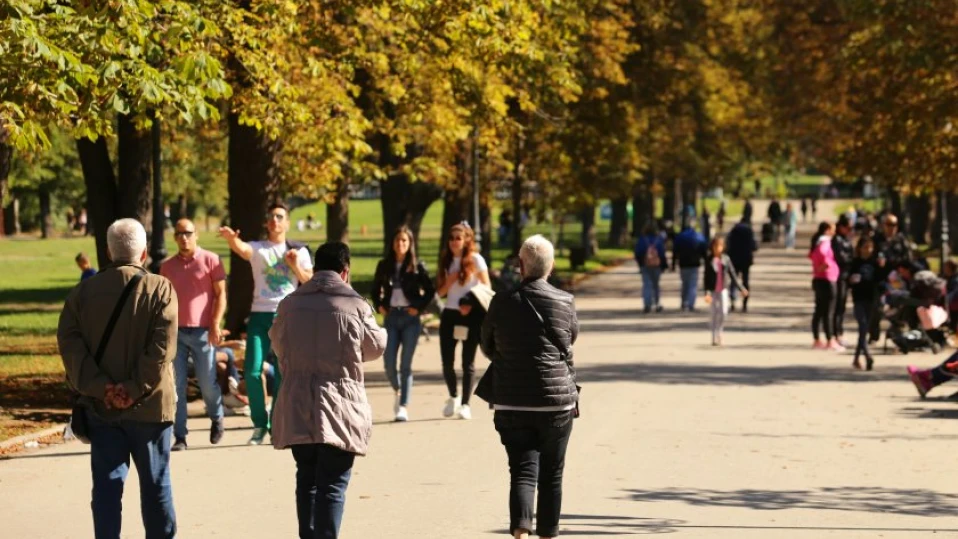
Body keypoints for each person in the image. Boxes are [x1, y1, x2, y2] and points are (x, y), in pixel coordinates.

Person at [57, 218, 178, 538]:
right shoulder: (160, 288)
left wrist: (102, 387)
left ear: (108, 251)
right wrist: (134, 387)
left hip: (102, 407)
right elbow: (162, 348)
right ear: (145, 252)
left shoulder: (82, 293)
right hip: (151, 407)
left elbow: (70, 346)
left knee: (107, 489)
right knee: (156, 486)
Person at [269, 242, 387, 539]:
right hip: (341, 403)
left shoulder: (290, 303)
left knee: (306, 478)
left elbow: (278, 344)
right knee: (333, 484)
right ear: (345, 271)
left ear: (316, 268)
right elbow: (375, 348)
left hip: (298, 401)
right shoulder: (356, 305)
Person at [478, 235, 579, 539]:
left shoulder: (502, 301)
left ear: (521, 265)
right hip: (555, 403)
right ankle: (548, 533)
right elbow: (570, 339)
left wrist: (510, 358)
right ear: (552, 266)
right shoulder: (565, 301)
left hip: (512, 400)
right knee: (551, 474)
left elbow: (487, 344)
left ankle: (521, 529)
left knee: (521, 470)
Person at [219, 202, 314, 445]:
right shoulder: (259, 249)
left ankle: (276, 423)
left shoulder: (299, 251)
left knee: (284, 372)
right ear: (266, 223)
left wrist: (293, 266)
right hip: (259, 316)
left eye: (280, 216)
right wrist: (231, 240)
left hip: (287, 315)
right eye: (271, 216)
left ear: (287, 222)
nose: (275, 220)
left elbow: (309, 281)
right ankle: (260, 424)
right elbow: (242, 249)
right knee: (251, 370)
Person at [160, 219, 226, 451]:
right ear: (175, 237)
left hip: (203, 331)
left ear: (196, 234)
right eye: (179, 234)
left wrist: (215, 324)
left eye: (188, 233)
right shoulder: (167, 267)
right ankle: (180, 436)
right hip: (176, 332)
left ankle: (217, 417)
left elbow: (220, 296)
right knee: (176, 386)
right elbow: (164, 300)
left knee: (207, 383)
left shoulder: (211, 260)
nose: (184, 237)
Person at [370, 226, 435, 422]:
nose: (400, 244)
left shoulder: (417, 266)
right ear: (392, 243)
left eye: (404, 241)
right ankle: (398, 391)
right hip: (391, 318)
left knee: (405, 364)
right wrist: (380, 305)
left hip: (410, 318)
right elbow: (375, 289)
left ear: (410, 244)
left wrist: (418, 307)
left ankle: (403, 406)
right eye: (398, 240)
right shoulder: (384, 265)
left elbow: (430, 291)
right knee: (388, 362)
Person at [436, 222, 491, 420]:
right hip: (450, 314)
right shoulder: (446, 260)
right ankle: (453, 396)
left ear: (467, 239)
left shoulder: (476, 260)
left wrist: (470, 303)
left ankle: (466, 404)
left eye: (458, 238)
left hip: (471, 315)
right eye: (451, 238)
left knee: (468, 362)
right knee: (447, 362)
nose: (453, 242)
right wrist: (448, 282)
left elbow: (487, 287)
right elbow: (439, 293)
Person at [704, 236, 746, 346]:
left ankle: (720, 332)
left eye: (720, 246)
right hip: (712, 291)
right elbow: (706, 277)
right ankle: (714, 336)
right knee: (713, 313)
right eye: (716, 246)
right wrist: (707, 292)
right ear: (712, 247)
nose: (718, 248)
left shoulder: (726, 259)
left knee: (723, 312)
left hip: (723, 290)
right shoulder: (709, 260)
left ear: (723, 247)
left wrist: (741, 288)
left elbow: (733, 275)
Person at [809, 221, 844, 351]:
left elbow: (811, 255)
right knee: (829, 311)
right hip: (828, 279)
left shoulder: (817, 241)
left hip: (819, 279)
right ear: (828, 230)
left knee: (819, 310)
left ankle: (817, 339)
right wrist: (826, 264)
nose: (834, 232)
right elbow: (823, 254)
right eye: (833, 229)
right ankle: (830, 340)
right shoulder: (825, 241)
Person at [848, 237, 880, 370]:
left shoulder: (875, 263)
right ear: (860, 249)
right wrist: (851, 279)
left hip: (871, 298)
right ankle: (867, 356)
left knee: (864, 330)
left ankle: (856, 359)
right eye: (865, 247)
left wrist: (882, 267)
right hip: (859, 299)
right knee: (862, 326)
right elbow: (847, 279)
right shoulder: (855, 263)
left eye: (870, 247)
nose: (868, 250)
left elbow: (880, 279)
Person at [672, 224, 707, 312]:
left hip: (683, 264)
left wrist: (673, 264)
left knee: (685, 284)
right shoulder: (698, 237)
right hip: (694, 264)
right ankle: (691, 304)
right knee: (693, 285)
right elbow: (703, 250)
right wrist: (706, 261)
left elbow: (675, 251)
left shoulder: (680, 238)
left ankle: (684, 302)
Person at [832, 216, 855, 348]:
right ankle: (836, 333)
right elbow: (841, 258)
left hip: (847, 276)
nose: (850, 230)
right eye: (848, 227)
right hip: (839, 276)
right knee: (838, 306)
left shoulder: (846, 239)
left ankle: (839, 332)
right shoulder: (837, 240)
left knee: (842, 307)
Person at [726, 218, 758, 313]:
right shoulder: (749, 232)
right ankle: (745, 302)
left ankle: (732, 300)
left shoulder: (733, 231)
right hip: (746, 260)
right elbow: (754, 246)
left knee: (734, 280)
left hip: (734, 259)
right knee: (745, 281)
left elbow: (727, 245)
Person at [634, 223, 667, 313]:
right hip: (656, 265)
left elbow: (637, 252)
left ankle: (647, 304)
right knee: (656, 285)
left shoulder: (642, 240)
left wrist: (640, 263)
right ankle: (657, 303)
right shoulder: (659, 240)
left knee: (647, 284)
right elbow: (662, 253)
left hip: (645, 265)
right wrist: (664, 265)